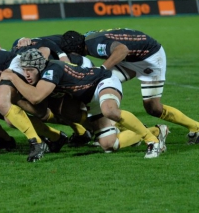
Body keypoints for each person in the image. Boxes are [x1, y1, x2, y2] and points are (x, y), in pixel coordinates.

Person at [0, 49, 167, 158]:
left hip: (102, 81)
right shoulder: (43, 73)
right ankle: (157, 130)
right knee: (109, 145)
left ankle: (153, 142)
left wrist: (12, 77)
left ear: (40, 68)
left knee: (110, 110)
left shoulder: (51, 70)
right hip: (88, 97)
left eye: (30, 71)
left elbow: (36, 98)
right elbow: (41, 109)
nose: (27, 74)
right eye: (25, 70)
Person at [60, 29, 199, 144]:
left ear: (78, 49)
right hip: (130, 59)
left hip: (150, 58)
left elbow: (122, 49)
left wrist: (102, 69)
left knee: (153, 108)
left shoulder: (94, 45)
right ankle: (109, 129)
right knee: (97, 86)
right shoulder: (85, 38)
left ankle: (195, 127)